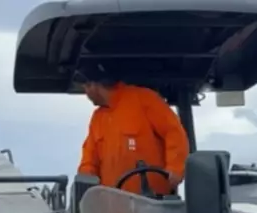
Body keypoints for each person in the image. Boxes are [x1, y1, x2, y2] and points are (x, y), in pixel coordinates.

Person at [75, 61, 189, 197]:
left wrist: (175, 168)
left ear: (93, 86)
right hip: (112, 203)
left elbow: (173, 131)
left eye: (85, 87)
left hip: (152, 201)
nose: (86, 93)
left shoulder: (144, 99)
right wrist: (85, 185)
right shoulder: (98, 118)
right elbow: (89, 159)